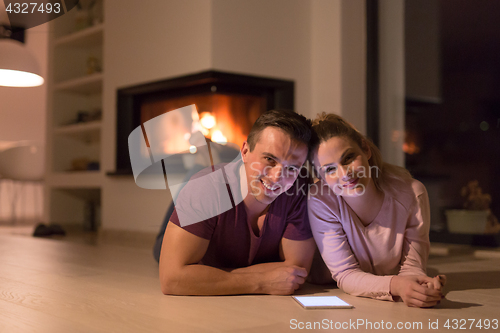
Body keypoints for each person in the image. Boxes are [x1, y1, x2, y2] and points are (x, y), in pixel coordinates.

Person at [159, 109, 316, 296]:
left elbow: (296, 271)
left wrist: (206, 275)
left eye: (292, 168)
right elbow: (172, 278)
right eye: (269, 159)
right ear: (245, 151)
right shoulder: (205, 187)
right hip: (199, 216)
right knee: (197, 182)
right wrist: (261, 282)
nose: (277, 177)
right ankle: (201, 164)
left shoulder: (300, 189)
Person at [307, 113, 446, 308]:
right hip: (323, 286)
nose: (345, 174)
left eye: (348, 158)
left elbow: (412, 267)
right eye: (330, 169)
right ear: (320, 177)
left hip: (377, 285)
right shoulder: (320, 200)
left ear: (365, 149)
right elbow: (346, 274)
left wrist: (418, 286)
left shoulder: (412, 194)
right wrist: (398, 285)